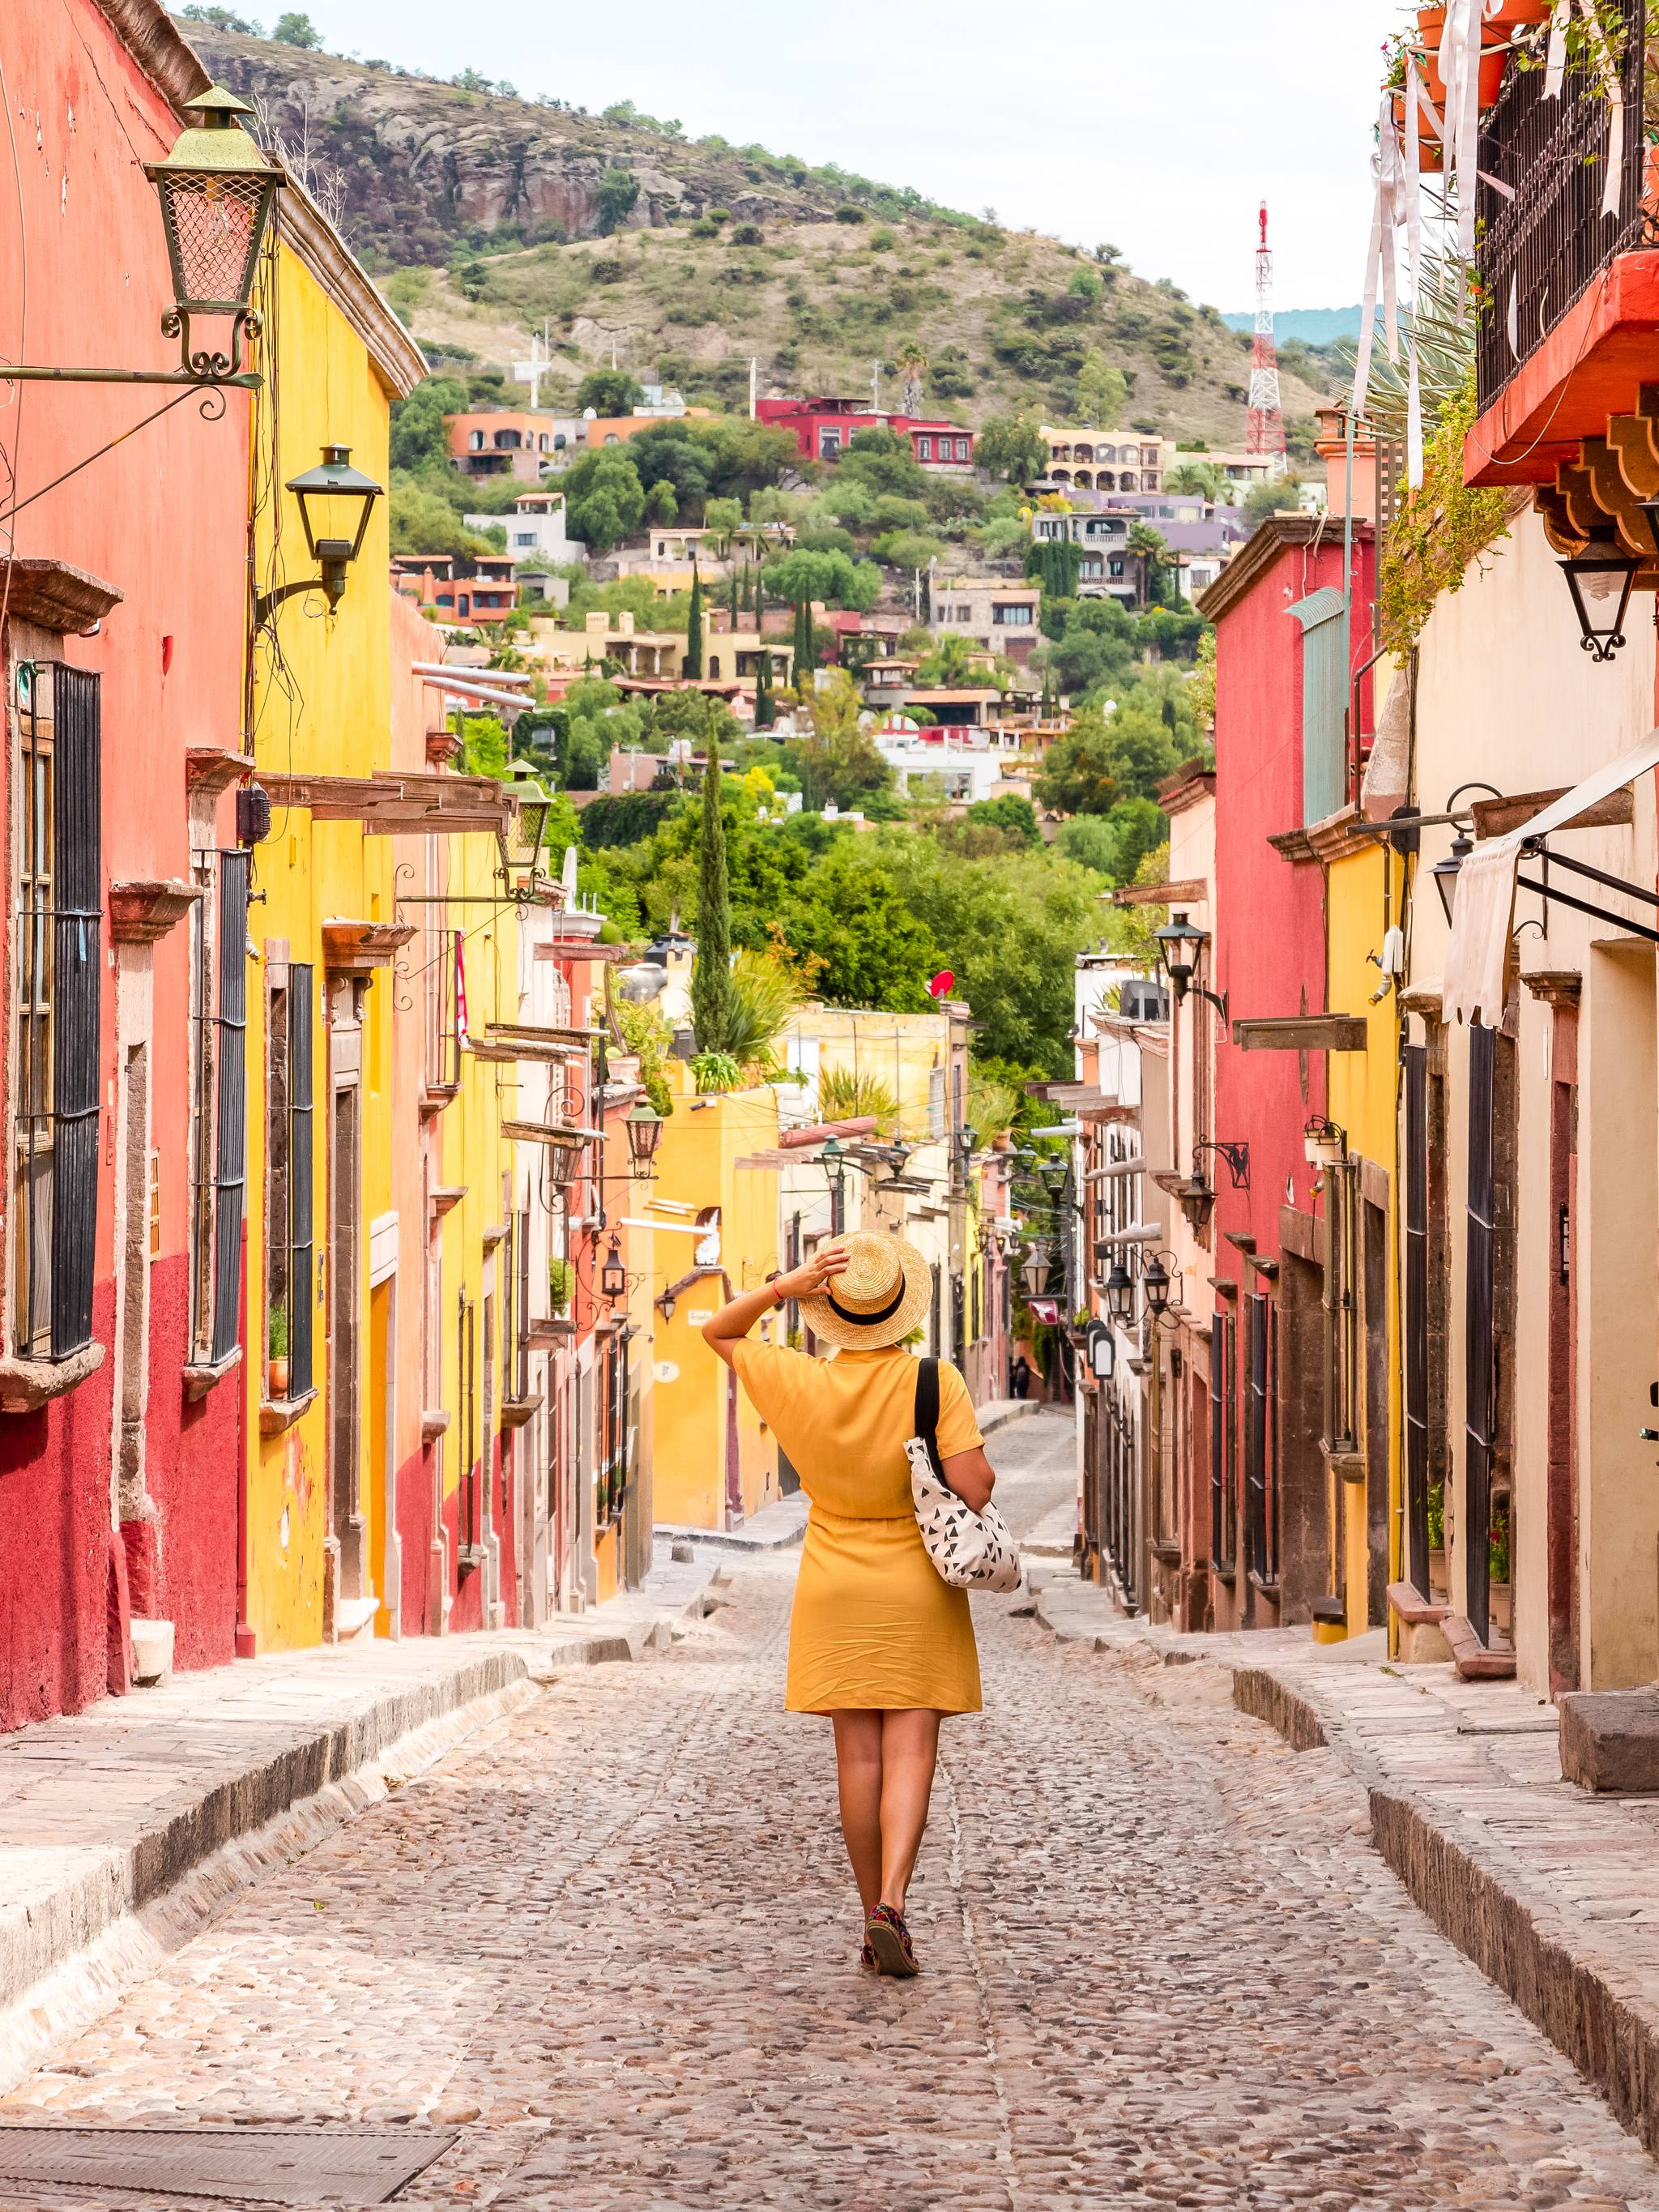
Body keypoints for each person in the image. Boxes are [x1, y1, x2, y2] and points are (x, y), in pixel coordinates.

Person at [702, 1230, 997, 1979]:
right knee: (911, 1752)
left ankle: (873, 1922)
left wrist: (785, 1285)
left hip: (833, 1581)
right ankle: (894, 1901)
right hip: (915, 1584)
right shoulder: (935, 1381)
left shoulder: (796, 1379)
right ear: (903, 1308)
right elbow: (978, 1487)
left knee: (857, 1758)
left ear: (829, 1309)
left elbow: (715, 1328)